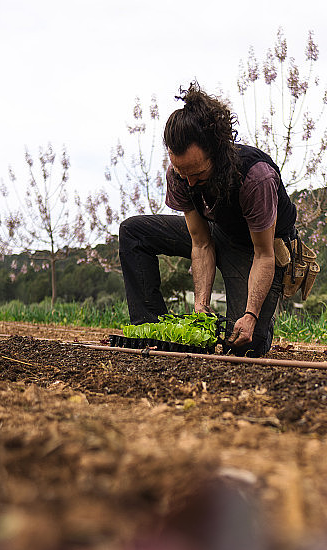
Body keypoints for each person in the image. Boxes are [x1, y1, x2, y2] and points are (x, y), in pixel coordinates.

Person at [118, 82, 297, 356]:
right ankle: (151, 330)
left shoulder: (255, 178)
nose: (189, 181)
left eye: (198, 174)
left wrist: (250, 315)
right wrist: (201, 304)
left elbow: (264, 254)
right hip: (217, 233)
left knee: (244, 346)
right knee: (134, 232)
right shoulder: (180, 174)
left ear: (218, 154)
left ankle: (258, 326)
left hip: (259, 248)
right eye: (182, 173)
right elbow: (201, 243)